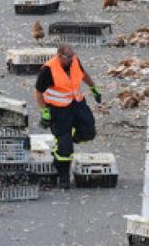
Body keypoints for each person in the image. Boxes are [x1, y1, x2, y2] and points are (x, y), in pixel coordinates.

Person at [34, 44, 100, 189]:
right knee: (64, 148)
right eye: (68, 57)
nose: (71, 59)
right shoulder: (48, 70)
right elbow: (39, 93)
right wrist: (45, 112)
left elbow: (83, 74)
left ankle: (72, 138)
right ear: (59, 56)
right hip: (59, 110)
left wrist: (94, 88)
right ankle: (62, 174)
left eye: (72, 56)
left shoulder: (75, 61)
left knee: (89, 131)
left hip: (77, 103)